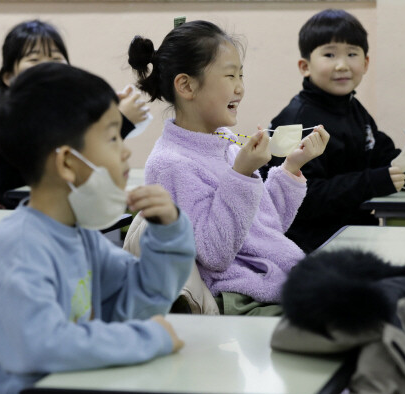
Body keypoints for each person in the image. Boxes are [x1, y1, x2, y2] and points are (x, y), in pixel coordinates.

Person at [0, 62, 195, 393]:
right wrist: (149, 338)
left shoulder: (81, 236)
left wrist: (168, 234)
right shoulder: (21, 247)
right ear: (68, 163)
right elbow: (43, 345)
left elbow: (139, 301)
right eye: (113, 136)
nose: (125, 150)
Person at [127, 20, 329, 314]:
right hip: (241, 296)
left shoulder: (225, 143)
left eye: (241, 75)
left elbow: (265, 230)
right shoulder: (170, 164)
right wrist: (242, 174)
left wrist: (291, 168)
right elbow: (215, 254)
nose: (240, 87)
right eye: (230, 75)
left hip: (273, 281)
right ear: (186, 85)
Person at [263, 9, 405, 253]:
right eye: (330, 54)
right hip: (308, 248)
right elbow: (304, 199)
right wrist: (374, 182)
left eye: (352, 54)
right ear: (305, 66)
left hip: (355, 234)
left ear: (365, 63)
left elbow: (382, 156)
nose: (342, 65)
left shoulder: (353, 108)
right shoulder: (296, 121)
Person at [0, 20, 150, 208]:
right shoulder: (9, 119)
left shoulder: (59, 111)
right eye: (34, 60)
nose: (48, 67)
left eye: (56, 58)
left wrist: (107, 112)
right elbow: (77, 159)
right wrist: (120, 122)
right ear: (9, 77)